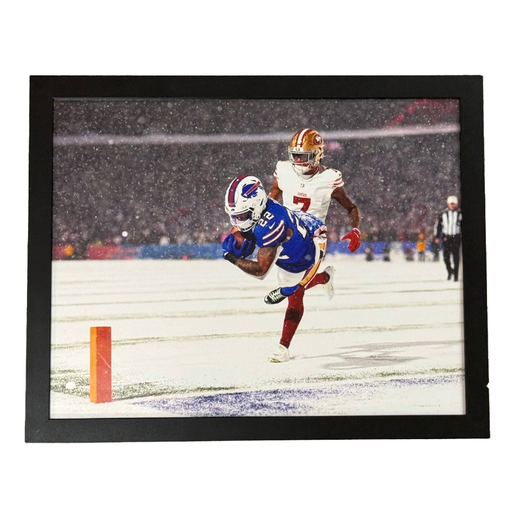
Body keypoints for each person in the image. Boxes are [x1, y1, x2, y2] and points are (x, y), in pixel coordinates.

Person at [222, 175, 334, 363]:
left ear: (256, 207)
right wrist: (240, 238)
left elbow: (261, 271)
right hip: (296, 237)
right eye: (233, 216)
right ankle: (325, 278)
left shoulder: (271, 226)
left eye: (240, 216)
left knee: (295, 292)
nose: (236, 222)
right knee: (296, 287)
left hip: (307, 253)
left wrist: (232, 257)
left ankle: (283, 347)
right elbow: (242, 229)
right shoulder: (261, 211)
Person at [268, 128, 362, 282]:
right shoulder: (284, 169)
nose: (297, 160)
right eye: (295, 155)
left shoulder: (328, 178)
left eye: (302, 156)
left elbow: (351, 207)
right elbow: (273, 196)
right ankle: (324, 278)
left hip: (314, 238)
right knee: (289, 284)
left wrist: (355, 230)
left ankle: (322, 278)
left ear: (317, 154)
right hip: (288, 236)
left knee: (295, 287)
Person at [435, 195, 462, 281]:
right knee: (446, 257)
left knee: (456, 257)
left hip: (456, 237)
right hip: (446, 237)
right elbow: (439, 226)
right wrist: (437, 236)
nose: (452, 205)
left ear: (456, 204)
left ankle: (456, 276)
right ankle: (450, 271)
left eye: (454, 204)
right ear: (448, 204)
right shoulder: (443, 214)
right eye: (451, 204)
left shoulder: (460, 213)